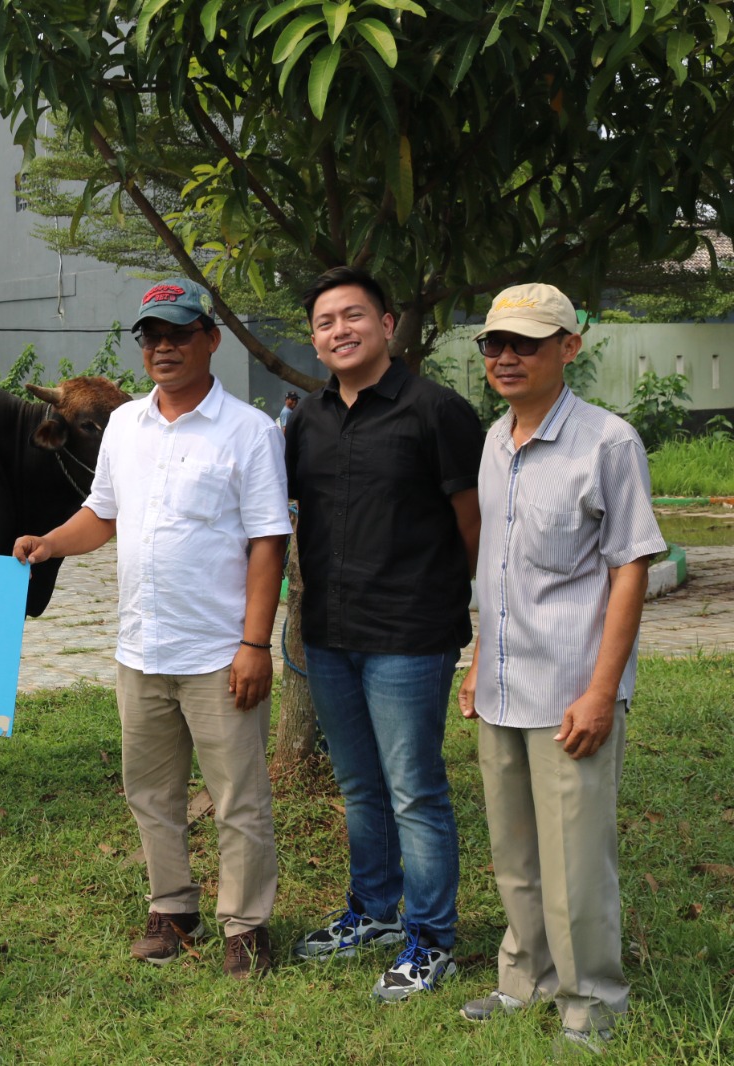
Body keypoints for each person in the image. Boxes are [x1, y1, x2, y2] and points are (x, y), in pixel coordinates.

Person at [14, 278, 289, 979]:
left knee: (238, 798)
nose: (163, 347)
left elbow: (268, 541)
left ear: (210, 340)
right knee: (151, 792)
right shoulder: (127, 427)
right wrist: (48, 542)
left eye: (178, 333)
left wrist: (255, 643)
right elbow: (103, 515)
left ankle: (246, 925)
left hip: (220, 652)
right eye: (151, 336)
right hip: (141, 649)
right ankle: (171, 908)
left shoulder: (249, 432)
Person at [458, 284, 663, 1054]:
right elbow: (497, 570)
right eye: (494, 344)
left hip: (572, 689)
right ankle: (527, 978)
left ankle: (593, 1001)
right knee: (514, 852)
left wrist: (603, 691)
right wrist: (479, 662)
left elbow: (630, 570)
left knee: (576, 860)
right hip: (505, 683)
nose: (506, 357)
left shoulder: (607, 443)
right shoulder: (493, 441)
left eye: (526, 343)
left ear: (568, 349)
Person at [284, 266, 484, 1001]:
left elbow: (473, 524)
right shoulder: (306, 419)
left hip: (410, 635)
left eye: (353, 316)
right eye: (324, 322)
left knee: (414, 790)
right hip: (330, 635)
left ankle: (431, 940)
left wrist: (464, 607)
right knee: (360, 785)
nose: (338, 330)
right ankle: (371, 912)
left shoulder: (437, 411)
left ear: (388, 323)